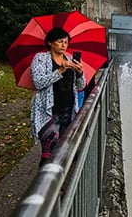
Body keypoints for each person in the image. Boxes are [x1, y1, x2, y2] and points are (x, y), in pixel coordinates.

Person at [30, 27, 86, 167]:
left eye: (66, 42)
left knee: (62, 149)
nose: (63, 45)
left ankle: (57, 180)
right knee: (49, 152)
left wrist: (79, 72)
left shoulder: (69, 59)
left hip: (67, 110)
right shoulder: (40, 59)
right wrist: (60, 70)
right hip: (48, 112)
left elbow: (80, 86)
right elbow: (38, 82)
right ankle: (45, 186)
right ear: (50, 42)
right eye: (60, 41)